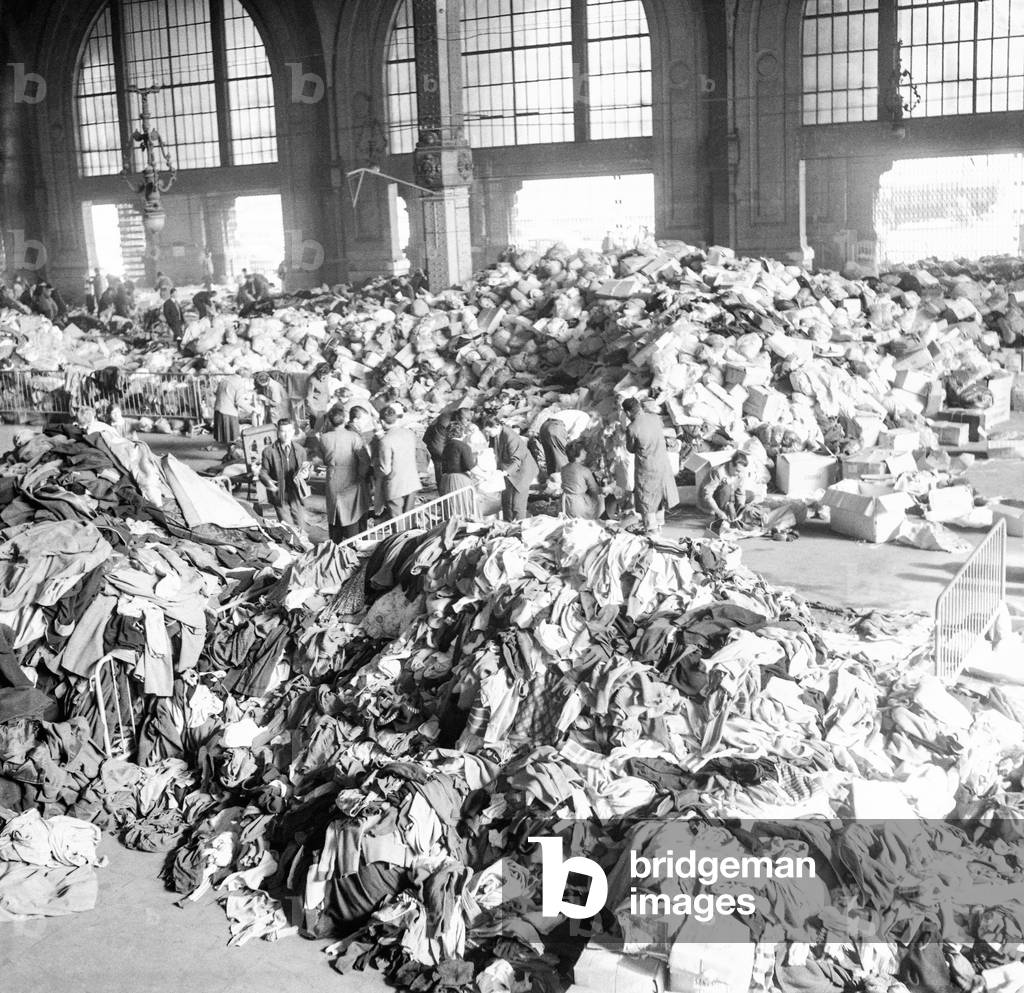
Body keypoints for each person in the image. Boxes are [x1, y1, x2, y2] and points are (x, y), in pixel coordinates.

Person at [622, 397, 679, 537]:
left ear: (628, 413)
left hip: (647, 467)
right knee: (659, 493)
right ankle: (659, 525)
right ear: (640, 407)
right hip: (662, 463)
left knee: (646, 497)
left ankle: (651, 529)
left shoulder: (632, 428)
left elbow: (631, 449)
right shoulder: (655, 418)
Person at [320, 405, 371, 541]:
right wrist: (361, 476)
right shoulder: (353, 437)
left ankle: (335, 546)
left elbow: (325, 459)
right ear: (345, 421)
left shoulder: (324, 438)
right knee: (352, 513)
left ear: (330, 421)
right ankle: (353, 546)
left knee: (334, 514)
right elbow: (365, 460)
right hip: (352, 477)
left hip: (333, 478)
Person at [259, 419, 309, 531]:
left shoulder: (300, 450)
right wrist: (267, 481)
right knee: (288, 526)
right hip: (279, 492)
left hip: (296, 492)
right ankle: (292, 546)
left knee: (301, 524)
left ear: (293, 431)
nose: (286, 435)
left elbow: (305, 470)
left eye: (288, 431)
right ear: (277, 432)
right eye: (282, 431)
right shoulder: (268, 451)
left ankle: (303, 545)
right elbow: (263, 471)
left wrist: (306, 475)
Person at [484, 417, 538, 523]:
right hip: (506, 469)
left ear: (496, 426)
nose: (487, 434)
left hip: (522, 471)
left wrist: (505, 472)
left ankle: (520, 528)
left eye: (488, 431)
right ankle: (507, 525)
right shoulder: (493, 435)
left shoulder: (510, 437)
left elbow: (517, 461)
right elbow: (492, 452)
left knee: (517, 505)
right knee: (506, 501)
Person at [376, 406, 420, 519]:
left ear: (381, 421)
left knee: (397, 520)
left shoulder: (385, 441)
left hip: (395, 485)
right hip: (412, 480)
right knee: (409, 518)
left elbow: (385, 469)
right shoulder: (410, 433)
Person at [698, 452, 751, 525]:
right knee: (726, 488)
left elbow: (740, 493)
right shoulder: (718, 471)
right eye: (737, 471)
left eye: (741, 471)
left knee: (751, 495)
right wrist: (718, 511)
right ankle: (721, 516)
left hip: (730, 497)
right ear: (731, 464)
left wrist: (740, 509)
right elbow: (707, 495)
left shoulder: (741, 472)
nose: (739, 474)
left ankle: (734, 514)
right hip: (714, 499)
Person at [560, 443, 602, 519]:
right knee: (600, 501)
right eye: (583, 451)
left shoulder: (564, 469)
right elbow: (595, 489)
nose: (585, 452)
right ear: (577, 454)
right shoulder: (584, 470)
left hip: (565, 504)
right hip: (578, 505)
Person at [438, 419, 477, 496]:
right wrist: (486, 476)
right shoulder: (464, 446)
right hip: (460, 480)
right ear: (462, 432)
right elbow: (470, 467)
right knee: (463, 504)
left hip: (447, 480)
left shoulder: (447, 446)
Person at [305, 363, 344, 433]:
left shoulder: (326, 377)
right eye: (320, 375)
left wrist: (328, 396)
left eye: (324, 376)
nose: (322, 378)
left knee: (325, 421)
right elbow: (309, 397)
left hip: (323, 402)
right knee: (316, 423)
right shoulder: (312, 380)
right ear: (317, 372)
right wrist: (313, 410)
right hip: (315, 404)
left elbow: (326, 387)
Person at [213, 372, 247, 447]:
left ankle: (227, 450)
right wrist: (251, 410)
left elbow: (216, 392)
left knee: (224, 435)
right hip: (228, 411)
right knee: (232, 436)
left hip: (218, 408)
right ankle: (231, 452)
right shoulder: (239, 383)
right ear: (244, 376)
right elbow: (239, 402)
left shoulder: (224, 379)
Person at [423, 411, 452, 490]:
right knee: (443, 467)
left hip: (434, 448)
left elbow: (426, 439)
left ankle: (441, 486)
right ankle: (444, 487)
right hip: (440, 450)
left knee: (439, 468)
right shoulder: (447, 426)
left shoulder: (435, 426)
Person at [538, 415, 569, 483]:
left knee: (551, 458)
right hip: (555, 427)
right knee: (562, 457)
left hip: (544, 426)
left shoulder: (582, 416)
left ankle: (552, 484)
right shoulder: (585, 422)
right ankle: (562, 485)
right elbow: (573, 440)